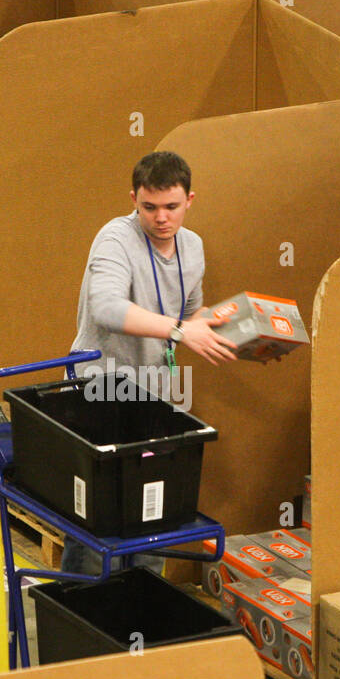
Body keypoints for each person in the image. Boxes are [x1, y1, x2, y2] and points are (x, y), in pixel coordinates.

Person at [61, 151, 237, 576]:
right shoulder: (115, 239)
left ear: (190, 200)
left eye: (171, 207)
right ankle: (85, 612)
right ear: (134, 200)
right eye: (149, 207)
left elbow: (189, 311)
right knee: (96, 521)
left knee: (151, 513)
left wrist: (216, 324)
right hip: (101, 390)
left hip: (155, 396)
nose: (161, 218)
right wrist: (179, 330)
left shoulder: (192, 248)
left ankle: (139, 611)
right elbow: (105, 307)